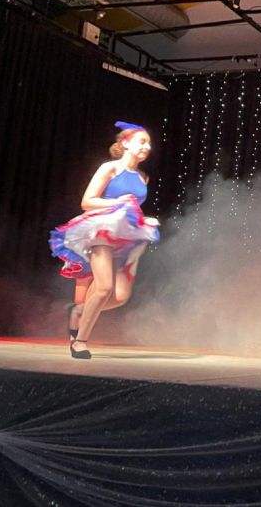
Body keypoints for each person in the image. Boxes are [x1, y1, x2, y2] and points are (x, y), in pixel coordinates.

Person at [49, 121, 160, 359]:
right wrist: (119, 203)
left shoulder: (143, 177)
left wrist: (143, 219)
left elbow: (132, 209)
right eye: (142, 141)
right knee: (104, 287)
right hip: (103, 230)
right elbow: (87, 201)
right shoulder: (110, 168)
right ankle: (80, 341)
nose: (147, 147)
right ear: (125, 143)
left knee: (120, 296)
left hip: (126, 236)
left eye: (149, 143)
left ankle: (79, 310)